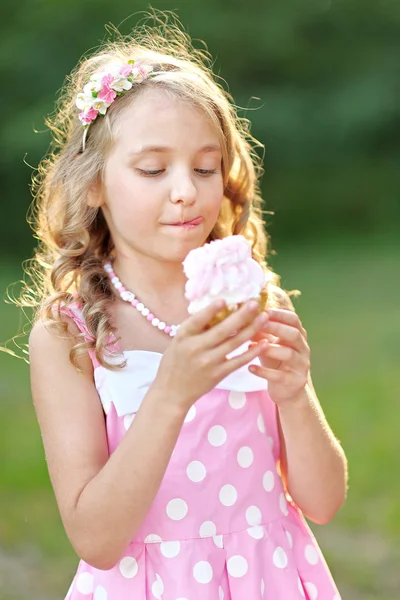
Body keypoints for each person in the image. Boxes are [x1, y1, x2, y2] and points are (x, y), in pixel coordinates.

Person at [26, 14, 347, 600]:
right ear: (93, 183)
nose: (185, 189)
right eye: (153, 169)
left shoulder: (250, 301)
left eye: (204, 168)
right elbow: (95, 539)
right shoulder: (69, 335)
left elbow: (324, 502)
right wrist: (172, 393)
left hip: (267, 576)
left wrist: (295, 392)